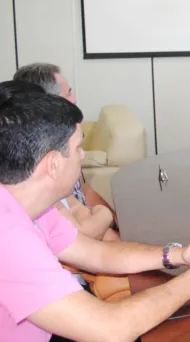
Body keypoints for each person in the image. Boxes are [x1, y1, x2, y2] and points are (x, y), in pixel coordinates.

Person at [0, 91, 190, 342]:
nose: (83, 156)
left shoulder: (29, 207)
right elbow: (110, 331)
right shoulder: (8, 239)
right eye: (78, 148)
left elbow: (98, 254)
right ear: (53, 163)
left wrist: (181, 255)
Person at [0, 79, 118, 243]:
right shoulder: (35, 190)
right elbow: (82, 238)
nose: (81, 154)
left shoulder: (59, 177)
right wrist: (105, 215)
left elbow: (93, 245)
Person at [13, 63, 114, 215]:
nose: (74, 100)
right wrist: (106, 218)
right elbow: (77, 234)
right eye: (68, 94)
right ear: (49, 101)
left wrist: (114, 218)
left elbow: (84, 191)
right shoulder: (39, 160)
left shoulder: (66, 136)